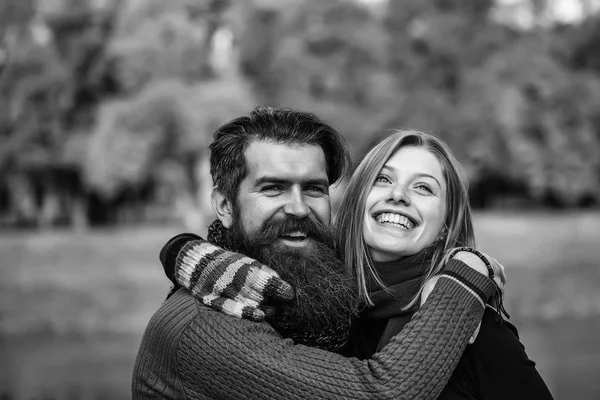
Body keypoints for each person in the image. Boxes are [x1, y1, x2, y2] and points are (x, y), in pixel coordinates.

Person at [132, 107, 497, 399]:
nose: (298, 208)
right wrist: (465, 279)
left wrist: (468, 258)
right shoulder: (204, 329)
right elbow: (381, 393)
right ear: (225, 206)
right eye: (273, 188)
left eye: (313, 189)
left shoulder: (308, 281)